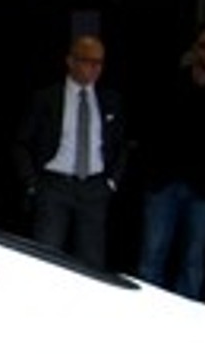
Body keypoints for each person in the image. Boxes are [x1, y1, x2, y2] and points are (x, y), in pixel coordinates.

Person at [135, 22, 205, 299]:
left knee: (194, 258)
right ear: (195, 49)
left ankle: (188, 313)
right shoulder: (171, 82)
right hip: (164, 181)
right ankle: (147, 309)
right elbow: (152, 128)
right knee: (153, 252)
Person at [14, 33, 126, 271]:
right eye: (87, 61)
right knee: (47, 254)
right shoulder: (47, 97)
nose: (94, 68)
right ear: (71, 61)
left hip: (94, 186)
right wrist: (32, 182)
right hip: (55, 185)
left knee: (92, 260)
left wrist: (113, 181)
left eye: (99, 62)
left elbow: (121, 143)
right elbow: (22, 141)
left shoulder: (109, 99)